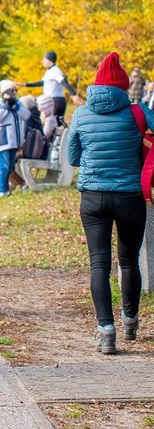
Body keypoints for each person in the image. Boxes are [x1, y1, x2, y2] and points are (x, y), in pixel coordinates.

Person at [69, 52, 154, 354]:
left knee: (99, 264)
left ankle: (106, 330)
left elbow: (73, 157)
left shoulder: (80, 114)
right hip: (130, 196)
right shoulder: (139, 112)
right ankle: (130, 321)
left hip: (93, 197)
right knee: (129, 261)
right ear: (123, 86)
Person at [0, 80, 30, 197]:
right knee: (3, 167)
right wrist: (7, 107)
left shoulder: (17, 102)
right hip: (2, 141)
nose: (15, 93)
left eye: (16, 90)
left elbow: (27, 115)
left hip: (14, 141)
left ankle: (6, 189)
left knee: (10, 167)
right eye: (12, 90)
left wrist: (16, 107)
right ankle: (2, 191)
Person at [18, 51, 84, 118]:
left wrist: (74, 95)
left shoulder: (55, 71)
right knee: (56, 122)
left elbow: (64, 82)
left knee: (52, 122)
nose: (42, 61)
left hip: (55, 101)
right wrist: (26, 85)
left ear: (49, 60)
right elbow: (42, 83)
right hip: (53, 101)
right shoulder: (49, 71)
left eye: (44, 59)